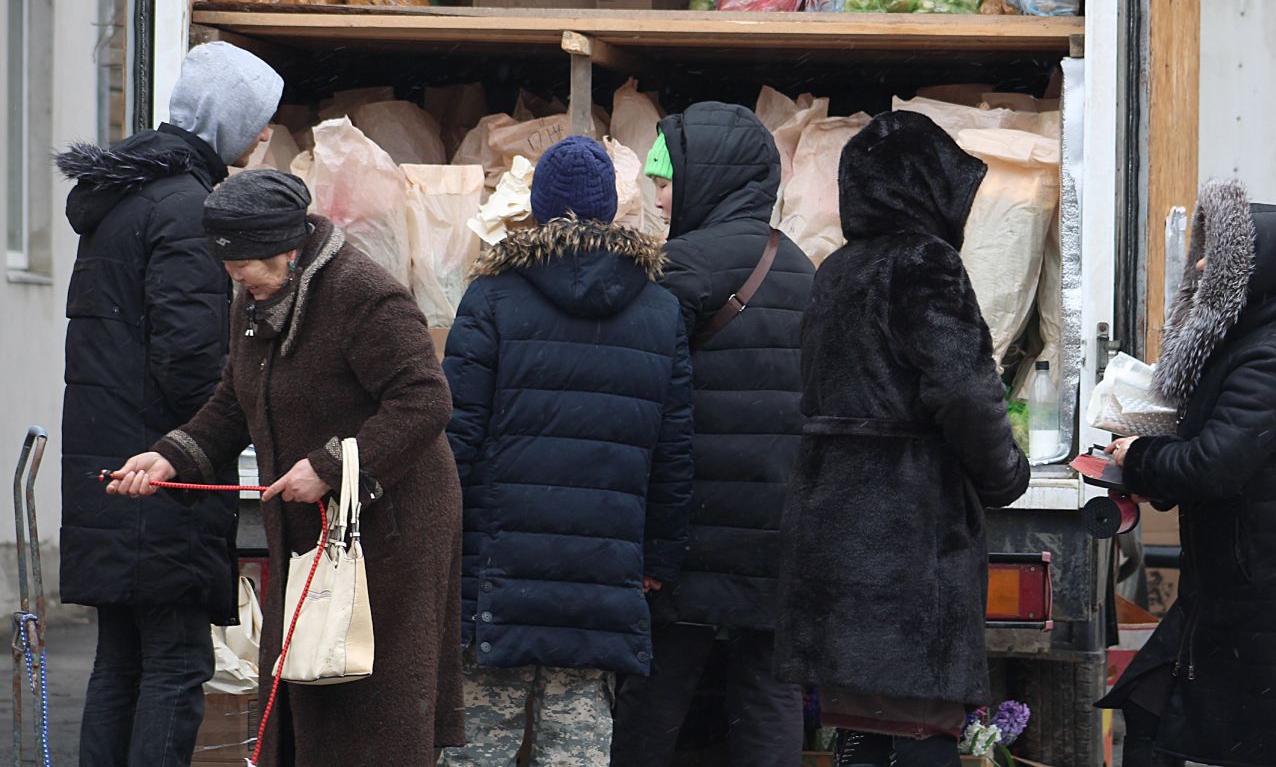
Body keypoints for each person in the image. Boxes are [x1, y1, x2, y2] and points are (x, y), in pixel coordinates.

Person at [106, 170, 465, 766]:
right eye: (227, 263)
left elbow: (426, 399)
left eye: (244, 261)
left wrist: (329, 466)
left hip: (391, 527)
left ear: (289, 247)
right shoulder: (256, 294)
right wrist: (170, 455)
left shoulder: (363, 294)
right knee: (307, 679)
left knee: (370, 700)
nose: (234, 276)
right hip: (314, 528)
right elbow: (234, 400)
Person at [774, 110, 1030, 767]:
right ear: (924, 188)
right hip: (908, 538)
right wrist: (1005, 474)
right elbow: (967, 393)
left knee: (866, 728)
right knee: (924, 733)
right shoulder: (925, 264)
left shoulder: (836, 270)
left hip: (833, 526)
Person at [56, 40, 282, 766]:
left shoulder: (125, 198)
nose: (265, 135)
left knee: (120, 663)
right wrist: (238, 425)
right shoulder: (189, 209)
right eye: (260, 120)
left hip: (108, 466)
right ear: (229, 122)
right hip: (163, 477)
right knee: (178, 664)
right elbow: (191, 359)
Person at [1098, 182, 1276, 767]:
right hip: (1251, 575)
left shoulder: (1270, 352)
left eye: (1217, 255)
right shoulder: (1254, 337)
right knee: (1160, 708)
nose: (1199, 263)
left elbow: (1216, 464)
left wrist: (1139, 456)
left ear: (1258, 272)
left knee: (1261, 741)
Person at [440, 137, 696, 765]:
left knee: (479, 745)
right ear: (611, 210)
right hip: (604, 569)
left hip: (498, 567)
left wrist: (441, 544)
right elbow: (672, 452)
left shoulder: (492, 297)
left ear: (539, 209)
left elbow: (456, 437)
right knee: (576, 743)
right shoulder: (660, 310)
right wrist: (657, 555)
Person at [610, 102, 815, 767]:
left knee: (657, 688)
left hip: (694, 521)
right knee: (769, 689)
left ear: (708, 180)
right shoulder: (803, 268)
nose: (660, 198)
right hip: (779, 520)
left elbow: (639, 398)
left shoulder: (678, 269)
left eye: (667, 181)